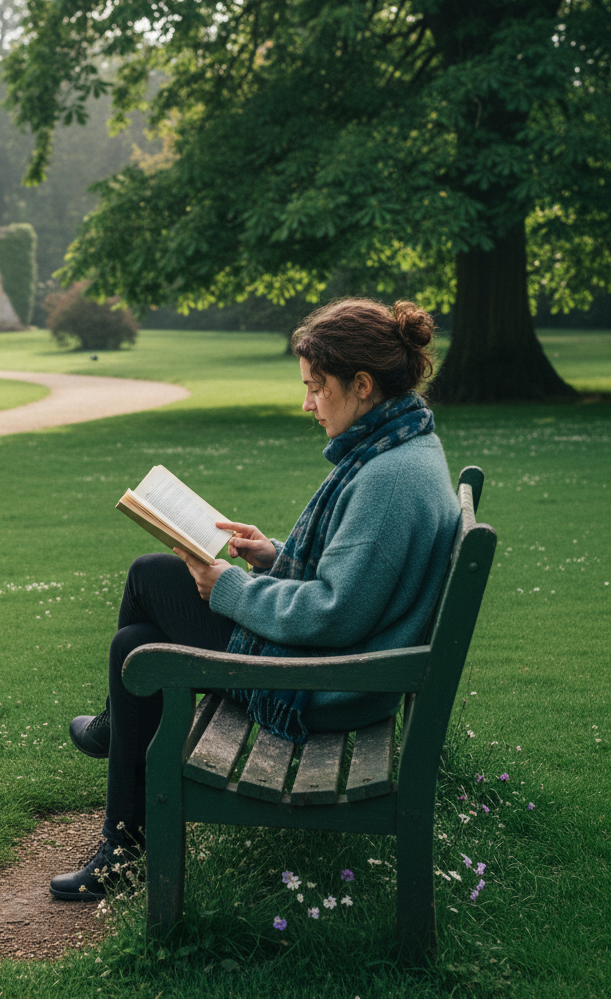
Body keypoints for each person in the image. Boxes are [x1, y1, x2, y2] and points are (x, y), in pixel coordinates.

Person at [49, 297, 461, 901]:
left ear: (363, 385)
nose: (308, 404)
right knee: (133, 646)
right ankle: (122, 839)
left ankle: (119, 788)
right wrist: (273, 554)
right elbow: (355, 576)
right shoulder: (402, 446)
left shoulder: (388, 479)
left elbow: (335, 613)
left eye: (317, 388)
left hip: (330, 684)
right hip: (343, 666)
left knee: (149, 575)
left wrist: (233, 588)